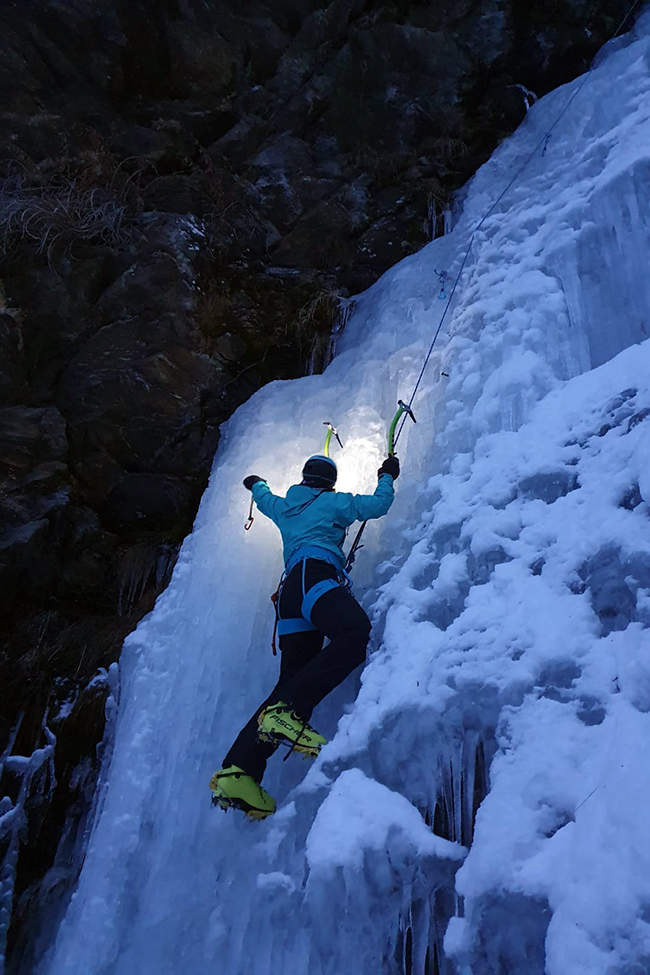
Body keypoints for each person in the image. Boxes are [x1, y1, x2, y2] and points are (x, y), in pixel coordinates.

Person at [210, 451, 400, 818]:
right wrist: (387, 474)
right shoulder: (334, 502)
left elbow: (263, 498)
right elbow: (379, 505)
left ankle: (239, 770)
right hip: (316, 578)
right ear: (329, 481)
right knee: (354, 633)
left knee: (292, 679)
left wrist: (256, 483)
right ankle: (288, 712)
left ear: (303, 478)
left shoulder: (285, 507)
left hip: (289, 596)